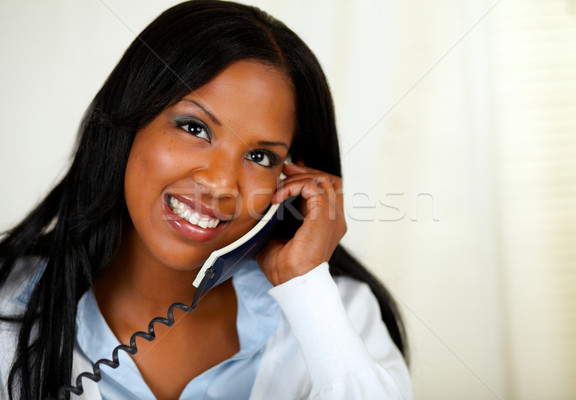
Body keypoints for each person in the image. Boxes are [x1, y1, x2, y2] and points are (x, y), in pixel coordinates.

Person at [0, 1, 412, 399]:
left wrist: (306, 289)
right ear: (130, 119)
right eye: (195, 128)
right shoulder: (8, 303)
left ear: (291, 178)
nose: (220, 184)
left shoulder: (339, 313)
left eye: (259, 156)